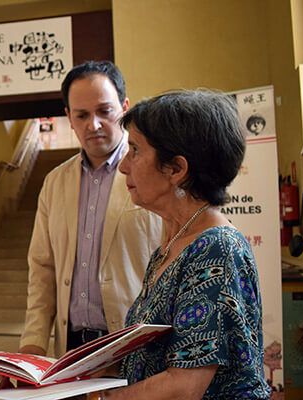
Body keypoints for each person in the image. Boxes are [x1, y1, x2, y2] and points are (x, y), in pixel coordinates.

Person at [100, 90, 271, 398]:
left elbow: (184, 386)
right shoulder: (172, 245)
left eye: (135, 151)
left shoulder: (215, 248)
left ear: (176, 169)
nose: (123, 166)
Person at [18, 61, 163, 359]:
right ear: (68, 117)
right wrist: (33, 344)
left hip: (135, 347)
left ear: (124, 108)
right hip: (70, 350)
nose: (93, 125)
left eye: (104, 111)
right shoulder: (55, 182)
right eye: (82, 115)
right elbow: (42, 269)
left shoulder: (154, 173)